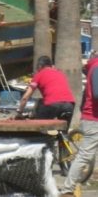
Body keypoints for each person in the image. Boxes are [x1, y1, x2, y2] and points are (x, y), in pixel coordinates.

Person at [60, 52, 98, 196]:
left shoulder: (93, 67)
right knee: (85, 156)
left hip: (90, 118)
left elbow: (85, 97)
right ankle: (67, 190)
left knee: (85, 155)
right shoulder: (97, 67)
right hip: (94, 120)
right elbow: (96, 94)